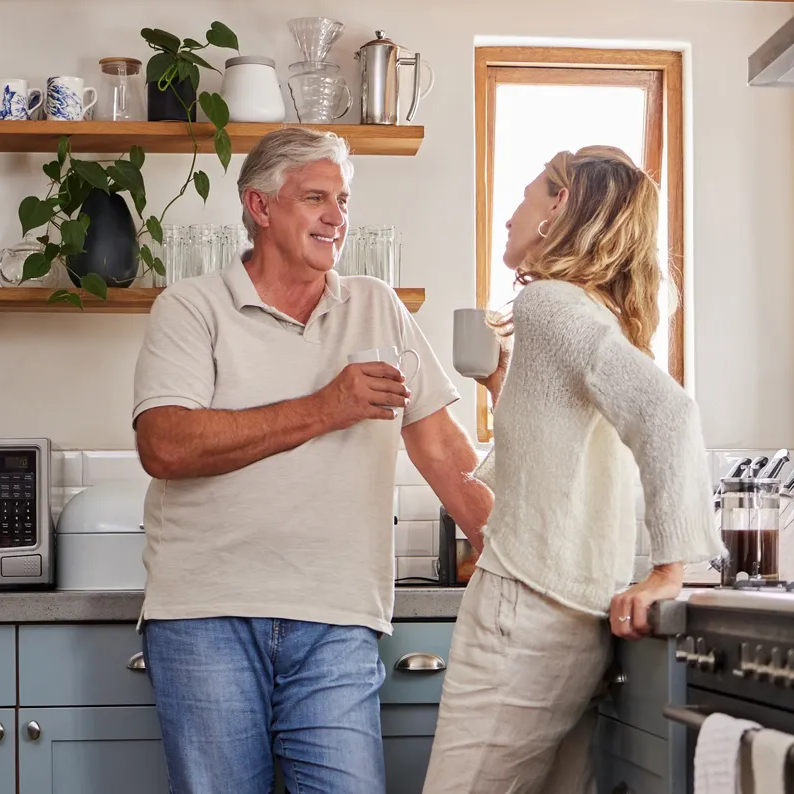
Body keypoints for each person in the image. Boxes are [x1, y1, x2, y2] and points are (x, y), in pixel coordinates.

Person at [130, 127, 494, 794]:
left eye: (345, 201)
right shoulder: (191, 308)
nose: (337, 218)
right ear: (260, 207)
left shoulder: (378, 308)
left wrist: (516, 557)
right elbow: (166, 444)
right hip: (206, 613)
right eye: (316, 198)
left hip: (338, 618)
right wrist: (327, 407)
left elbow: (445, 452)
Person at [422, 146, 722, 793]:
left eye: (526, 196)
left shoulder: (550, 304)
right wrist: (504, 380)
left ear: (559, 207)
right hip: (568, 616)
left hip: (525, 608)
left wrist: (673, 569)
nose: (510, 218)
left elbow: (667, 413)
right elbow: (562, 459)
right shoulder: (592, 315)